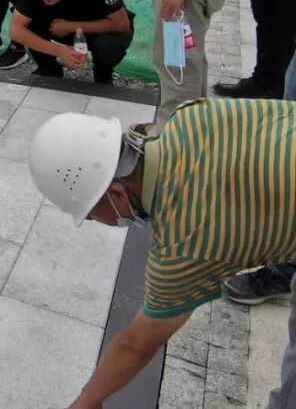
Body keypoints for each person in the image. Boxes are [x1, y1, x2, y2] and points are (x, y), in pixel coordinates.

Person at [29, 99, 296, 409]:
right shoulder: (190, 115)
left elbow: (137, 344)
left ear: (115, 193)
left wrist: (87, 400)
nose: (94, 221)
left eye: (89, 215)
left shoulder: (185, 242)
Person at [10, 0, 133, 84]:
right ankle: (48, 69)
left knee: (108, 45)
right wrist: (59, 51)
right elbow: (15, 30)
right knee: (29, 24)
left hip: (97, 29)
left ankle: (103, 75)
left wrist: (70, 27)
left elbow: (121, 24)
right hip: (59, 28)